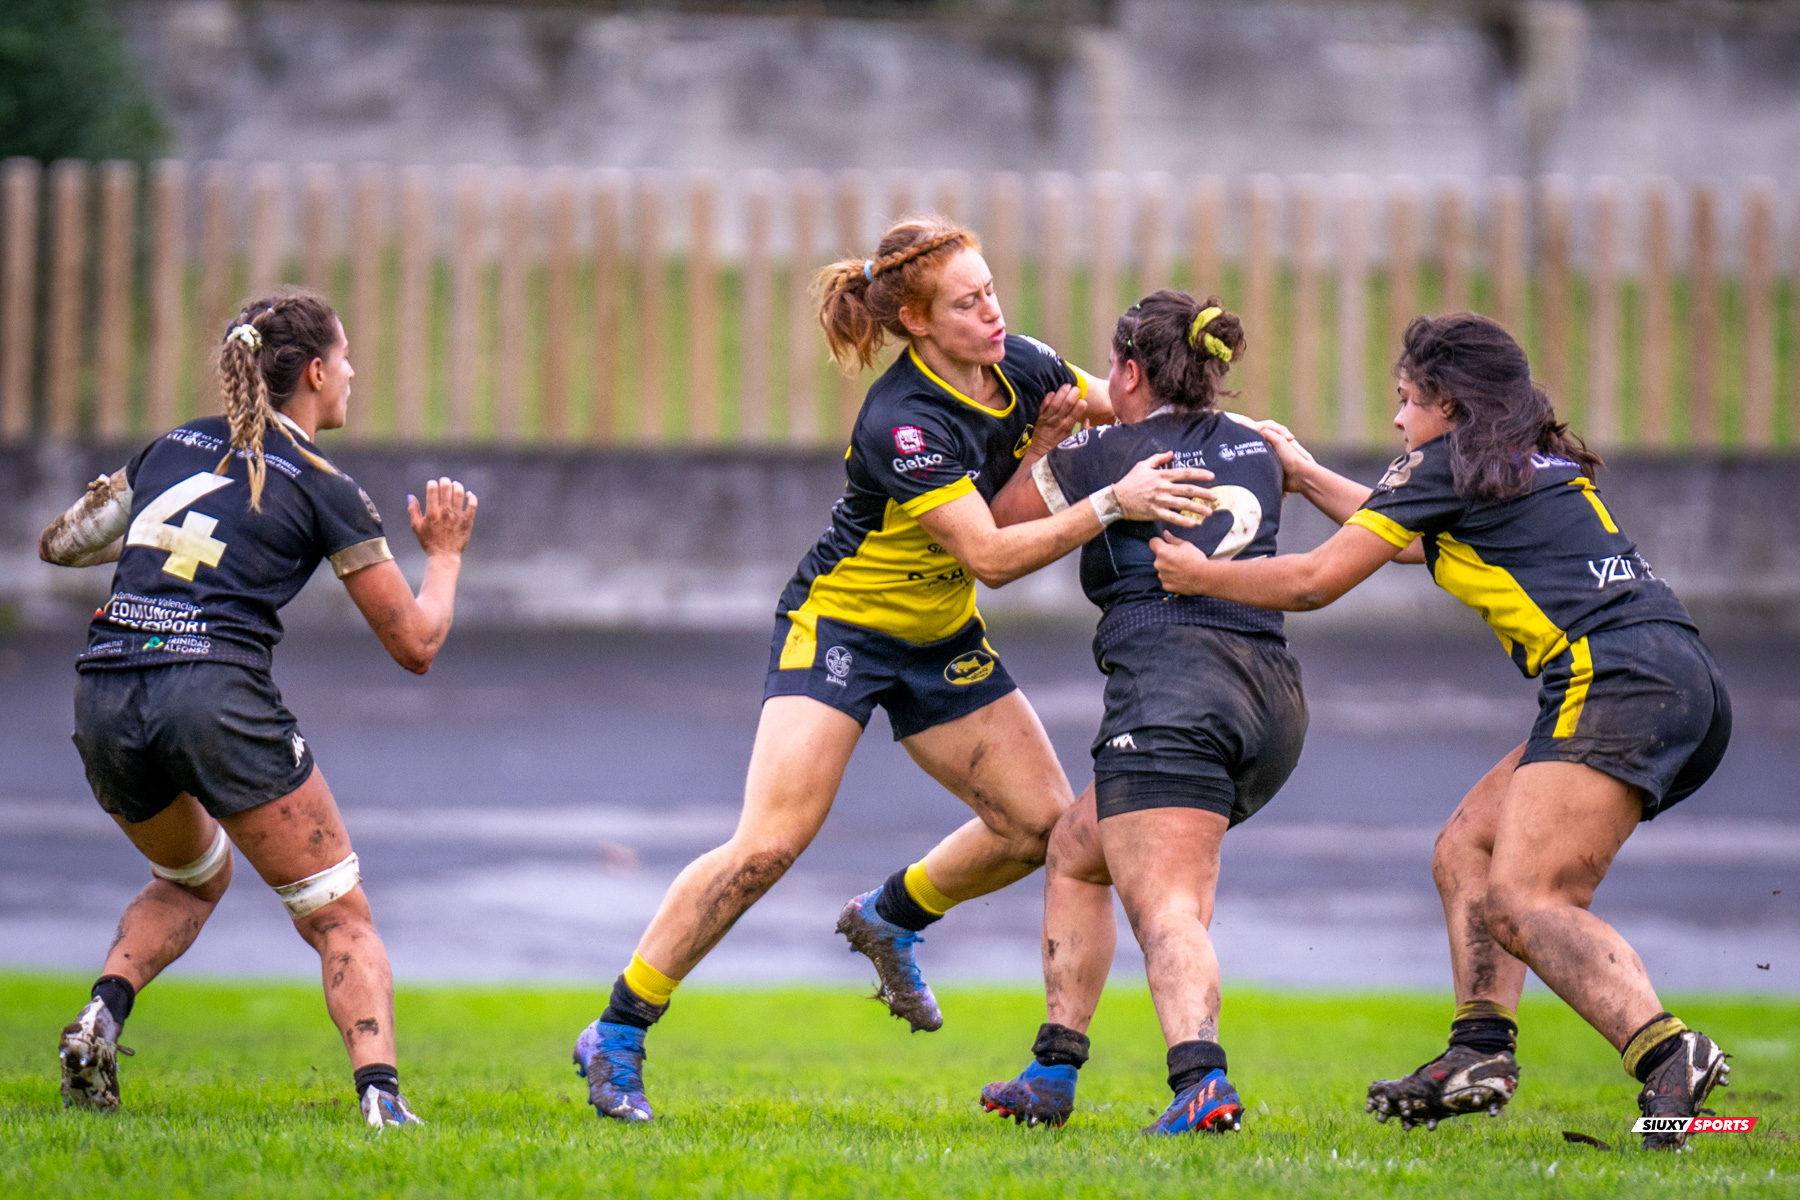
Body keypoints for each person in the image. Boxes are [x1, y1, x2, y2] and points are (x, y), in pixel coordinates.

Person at [572, 217, 1218, 1123]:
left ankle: (890, 916)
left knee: (1042, 829)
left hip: (940, 637)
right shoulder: (902, 421)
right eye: (967, 302)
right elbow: (991, 556)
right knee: (768, 845)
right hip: (842, 626)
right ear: (914, 320)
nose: (993, 313)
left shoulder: (1022, 365)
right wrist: (1111, 500)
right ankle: (620, 1028)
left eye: (991, 290)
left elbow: (1139, 413)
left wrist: (1254, 441)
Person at [1149, 313, 1733, 1151]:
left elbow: (1319, 579)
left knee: (1526, 901)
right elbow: (1408, 541)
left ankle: (1669, 1052)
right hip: (1673, 674)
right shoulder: (1518, 460)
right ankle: (1478, 1054)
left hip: (1615, 678)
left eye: (1406, 400)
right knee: (1468, 850)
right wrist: (1310, 476)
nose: (1396, 420)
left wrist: (1205, 575)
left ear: (1448, 405)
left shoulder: (1445, 463)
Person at [39, 292, 478, 1129]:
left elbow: (59, 544)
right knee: (339, 916)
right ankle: (381, 1098)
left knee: (192, 876)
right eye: (345, 359)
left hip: (104, 687)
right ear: (314, 373)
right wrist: (447, 556)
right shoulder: (325, 485)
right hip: (213, 694)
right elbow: (416, 643)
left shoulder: (172, 445)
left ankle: (101, 1017)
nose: (352, 373)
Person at [972, 291, 1304, 1135]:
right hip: (1268, 698)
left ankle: (1201, 1081)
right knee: (1079, 850)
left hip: (1173, 693)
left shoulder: (1105, 455)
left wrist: (1047, 445)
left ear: (1126, 371)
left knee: (1167, 907)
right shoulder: (1259, 446)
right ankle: (1053, 1066)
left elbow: (1000, 529)